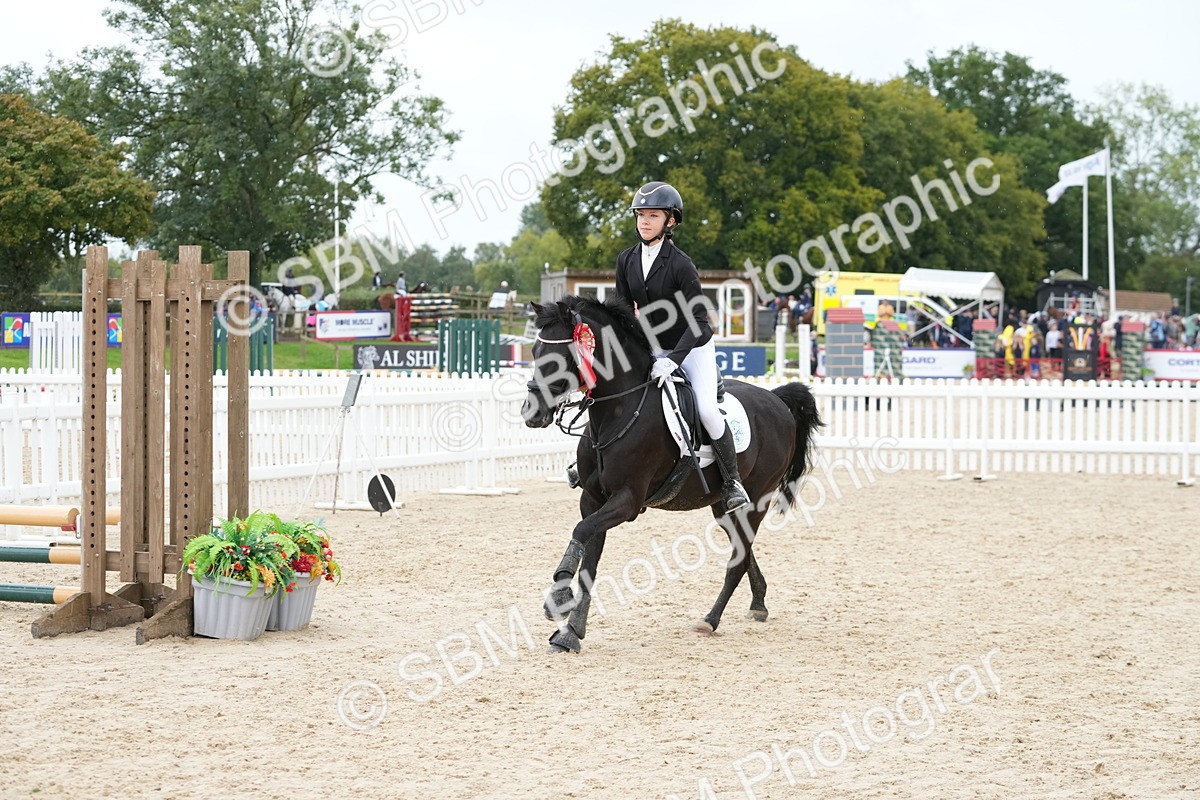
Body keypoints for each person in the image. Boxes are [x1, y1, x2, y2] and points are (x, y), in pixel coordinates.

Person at [614, 180, 748, 512]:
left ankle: (732, 482)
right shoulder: (626, 260)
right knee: (620, 393)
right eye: (640, 215)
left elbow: (700, 321)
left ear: (670, 220)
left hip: (692, 347)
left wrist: (673, 360)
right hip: (653, 346)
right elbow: (620, 312)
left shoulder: (680, 264)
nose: (644, 221)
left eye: (653, 215)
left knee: (705, 409)